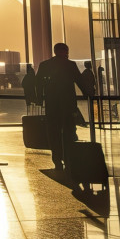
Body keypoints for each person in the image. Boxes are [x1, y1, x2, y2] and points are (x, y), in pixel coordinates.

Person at [35, 43, 85, 171]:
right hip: (68, 104)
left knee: (53, 132)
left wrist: (39, 98)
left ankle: (57, 160)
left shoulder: (45, 65)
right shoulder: (70, 65)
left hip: (52, 104)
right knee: (69, 131)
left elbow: (38, 83)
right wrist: (88, 93)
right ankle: (68, 158)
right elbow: (79, 80)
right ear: (65, 51)